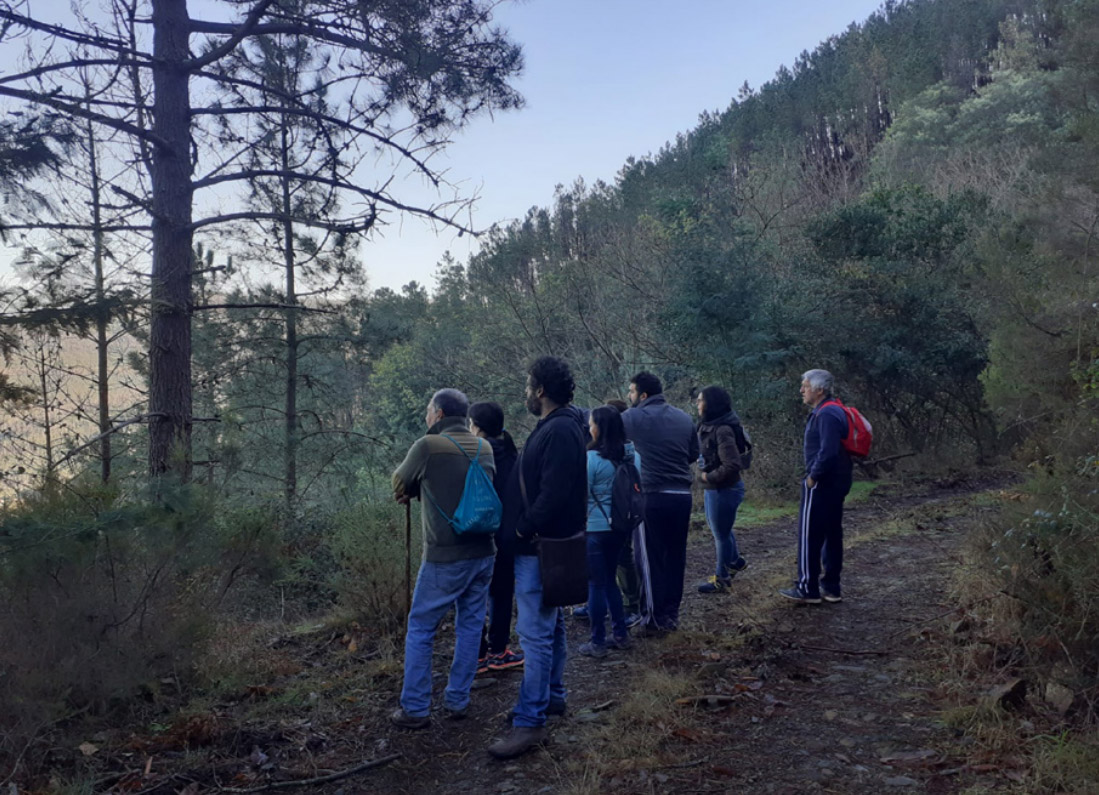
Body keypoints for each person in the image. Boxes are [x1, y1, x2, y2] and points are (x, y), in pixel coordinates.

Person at [488, 356, 587, 760]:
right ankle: (553, 696)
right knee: (552, 625)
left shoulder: (561, 429)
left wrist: (521, 528)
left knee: (535, 634)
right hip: (544, 545)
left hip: (540, 545)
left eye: (529, 386)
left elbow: (554, 492)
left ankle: (530, 721)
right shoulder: (558, 426)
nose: (526, 393)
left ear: (541, 390)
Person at [390, 388, 497, 729]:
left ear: (437, 413)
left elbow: (398, 481)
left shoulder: (427, 446)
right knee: (469, 626)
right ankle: (457, 700)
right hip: (483, 553)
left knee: (421, 627)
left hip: (444, 557)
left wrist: (413, 488)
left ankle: (416, 709)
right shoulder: (484, 446)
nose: (425, 417)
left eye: (427, 411)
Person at [621, 371, 698, 633]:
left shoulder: (631, 418)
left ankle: (653, 619)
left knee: (649, 558)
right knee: (675, 556)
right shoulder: (684, 417)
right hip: (682, 496)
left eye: (631, 392)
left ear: (642, 395)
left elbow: (611, 444)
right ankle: (671, 615)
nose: (629, 396)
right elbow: (692, 454)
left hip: (650, 496)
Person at [780, 369, 853, 605]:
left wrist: (813, 476)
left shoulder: (827, 414)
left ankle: (806, 588)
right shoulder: (831, 410)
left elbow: (828, 451)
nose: (801, 390)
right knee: (832, 533)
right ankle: (831, 588)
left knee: (809, 535)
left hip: (823, 482)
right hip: (835, 481)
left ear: (819, 389)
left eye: (805, 385)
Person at [578, 406, 637, 658]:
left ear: (598, 428)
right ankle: (621, 634)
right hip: (619, 528)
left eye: (591, 423)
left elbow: (581, 495)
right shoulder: (629, 456)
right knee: (612, 581)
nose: (589, 427)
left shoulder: (591, 459)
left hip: (594, 529)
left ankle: (598, 641)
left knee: (595, 585)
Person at [470, 401, 525, 672]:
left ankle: (477, 655)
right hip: (507, 535)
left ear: (477, 427)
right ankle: (499, 651)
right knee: (502, 593)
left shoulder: (477, 454)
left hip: (478, 534)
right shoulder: (512, 453)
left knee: (474, 594)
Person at [695, 386, 748, 593]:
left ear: (711, 404)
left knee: (721, 534)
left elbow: (732, 464)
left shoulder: (723, 429)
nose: (697, 404)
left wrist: (709, 476)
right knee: (721, 530)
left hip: (723, 489)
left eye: (700, 400)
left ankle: (722, 579)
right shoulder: (709, 425)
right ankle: (735, 561)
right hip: (715, 489)